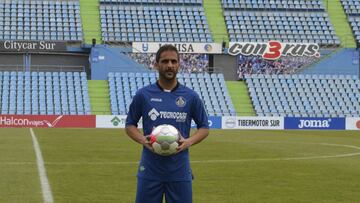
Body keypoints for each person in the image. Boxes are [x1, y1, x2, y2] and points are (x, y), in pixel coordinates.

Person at [125, 44, 209, 203]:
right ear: (156, 64)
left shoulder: (191, 97)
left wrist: (189, 141)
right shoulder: (143, 95)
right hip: (150, 170)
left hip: (179, 171)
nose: (169, 65)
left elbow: (204, 127)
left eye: (173, 61)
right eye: (164, 61)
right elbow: (130, 125)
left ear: (179, 64)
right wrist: (143, 139)